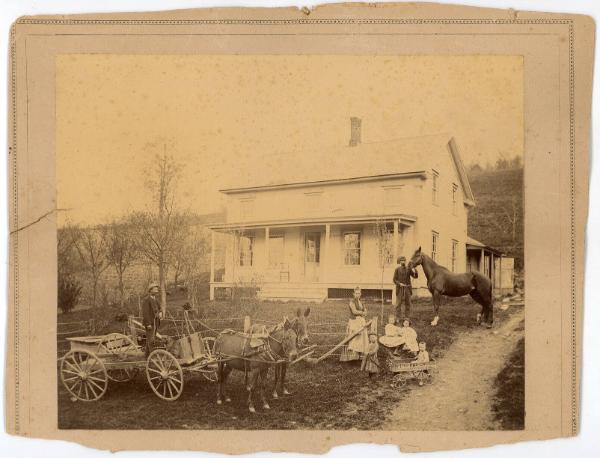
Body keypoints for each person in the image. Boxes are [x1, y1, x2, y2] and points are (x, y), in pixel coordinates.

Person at [340, 287, 369, 362]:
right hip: (354, 321)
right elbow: (354, 312)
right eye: (356, 293)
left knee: (362, 338)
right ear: (353, 294)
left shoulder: (361, 302)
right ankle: (352, 356)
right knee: (354, 337)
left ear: (360, 294)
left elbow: (365, 310)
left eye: (359, 293)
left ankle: (360, 355)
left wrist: (365, 312)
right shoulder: (352, 302)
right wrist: (362, 313)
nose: (358, 295)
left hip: (361, 321)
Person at [393, 256, 418, 322]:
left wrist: (415, 270)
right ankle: (398, 317)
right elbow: (394, 280)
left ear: (405, 261)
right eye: (401, 260)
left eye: (404, 260)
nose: (403, 261)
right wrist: (399, 284)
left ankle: (407, 317)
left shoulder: (409, 269)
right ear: (400, 262)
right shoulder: (397, 269)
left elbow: (415, 276)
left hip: (407, 288)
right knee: (398, 304)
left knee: (408, 303)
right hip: (400, 288)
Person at [142, 282, 163, 356]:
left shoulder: (155, 299)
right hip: (150, 323)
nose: (157, 289)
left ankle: (146, 355)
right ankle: (153, 357)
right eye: (155, 288)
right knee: (151, 340)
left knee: (151, 338)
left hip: (156, 322)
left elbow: (160, 308)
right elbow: (145, 313)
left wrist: (160, 312)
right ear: (150, 290)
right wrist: (148, 324)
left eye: (157, 288)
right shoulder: (146, 300)